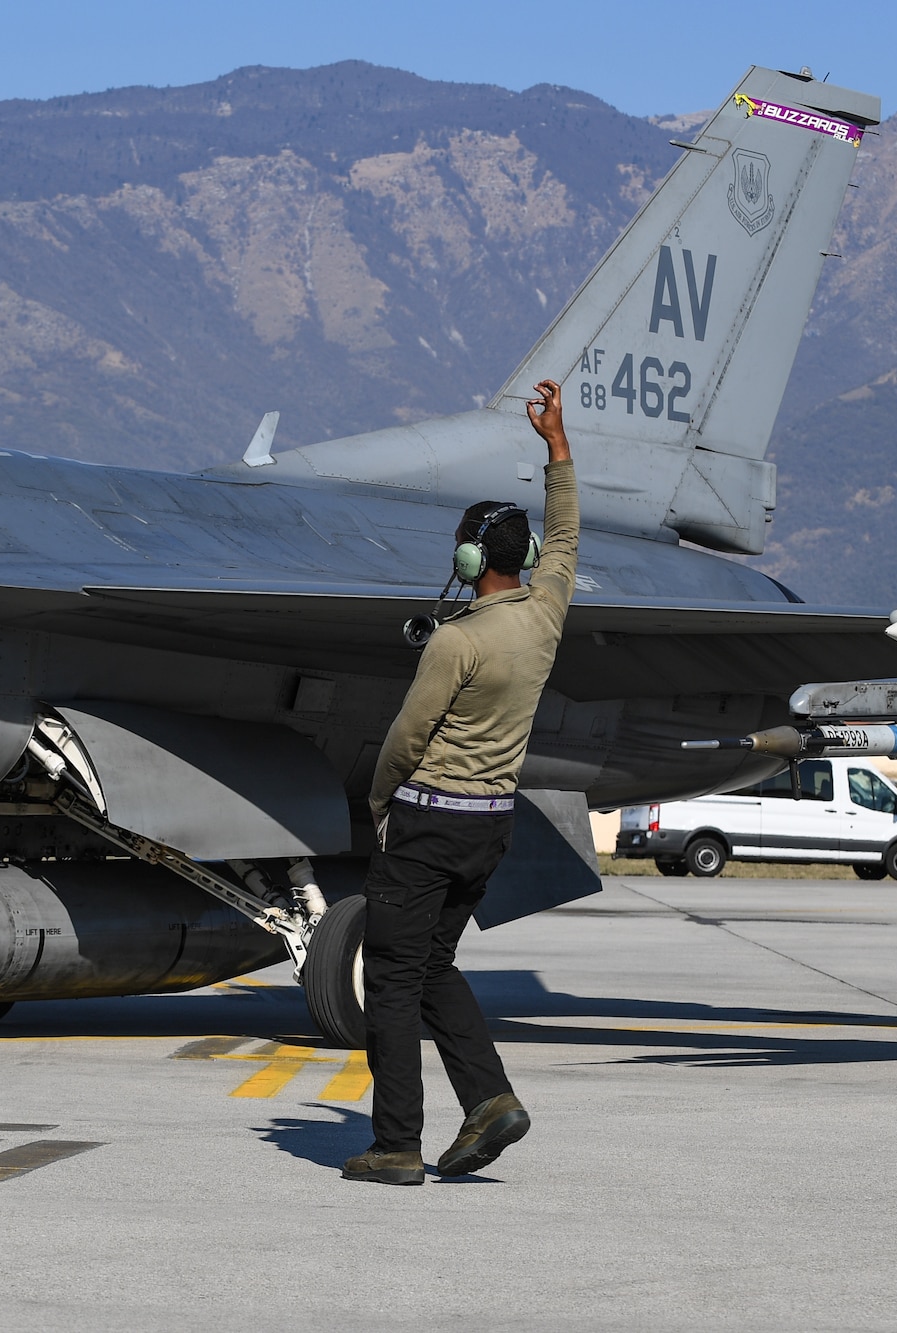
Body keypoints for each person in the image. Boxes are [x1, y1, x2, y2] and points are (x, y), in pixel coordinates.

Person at [342, 377, 578, 1186]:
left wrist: (380, 807)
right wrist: (557, 449)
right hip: (490, 827)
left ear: (468, 559)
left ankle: (396, 1143)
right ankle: (490, 1100)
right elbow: (571, 536)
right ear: (529, 560)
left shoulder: (454, 646)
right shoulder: (546, 616)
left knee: (392, 978)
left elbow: (407, 741)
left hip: (427, 827)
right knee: (435, 961)